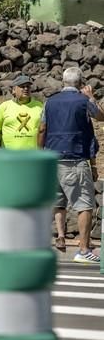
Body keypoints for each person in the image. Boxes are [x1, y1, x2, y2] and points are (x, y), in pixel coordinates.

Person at [38, 67, 104, 263]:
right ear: (81, 82)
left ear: (63, 82)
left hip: (51, 158)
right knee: (85, 205)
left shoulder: (50, 102)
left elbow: (42, 128)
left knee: (58, 201)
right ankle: (83, 250)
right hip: (74, 158)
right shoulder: (84, 101)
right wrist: (91, 97)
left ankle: (54, 237)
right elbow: (101, 116)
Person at [0, 75, 43, 150]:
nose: (26, 89)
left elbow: (44, 130)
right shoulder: (4, 107)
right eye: (22, 86)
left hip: (33, 156)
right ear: (14, 90)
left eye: (28, 86)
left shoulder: (39, 106)